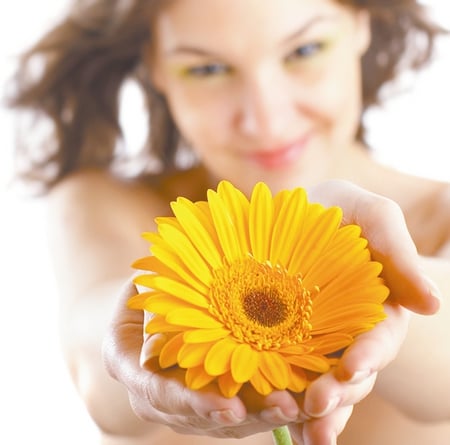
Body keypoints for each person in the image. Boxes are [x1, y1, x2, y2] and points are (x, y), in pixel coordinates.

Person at [6, 0, 450, 444]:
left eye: (304, 50)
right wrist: (146, 323)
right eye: (207, 70)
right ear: (154, 65)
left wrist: (363, 275)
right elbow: (92, 351)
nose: (266, 120)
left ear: (361, 25)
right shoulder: (103, 202)